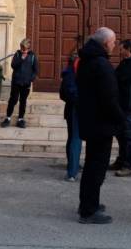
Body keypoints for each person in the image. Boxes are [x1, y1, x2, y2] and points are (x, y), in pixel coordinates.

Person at [76, 27, 123, 224]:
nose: (114, 45)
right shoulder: (101, 64)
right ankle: (88, 210)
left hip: (90, 120)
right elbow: (109, 98)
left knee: (91, 166)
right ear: (105, 43)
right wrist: (120, 120)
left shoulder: (87, 59)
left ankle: (88, 203)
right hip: (101, 123)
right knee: (96, 167)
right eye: (113, 42)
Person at [110, 39, 131, 177]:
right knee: (121, 134)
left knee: (129, 136)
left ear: (128, 49)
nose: (120, 51)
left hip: (129, 106)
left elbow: (120, 79)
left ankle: (129, 165)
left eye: (122, 49)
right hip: (121, 105)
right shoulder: (126, 62)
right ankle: (121, 160)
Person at [1, 38, 39, 129]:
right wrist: (21, 59)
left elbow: (35, 70)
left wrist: (31, 79)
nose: (22, 50)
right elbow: (13, 65)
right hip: (16, 82)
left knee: (23, 101)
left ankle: (20, 119)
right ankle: (8, 118)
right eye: (21, 48)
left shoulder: (33, 56)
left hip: (26, 83)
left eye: (24, 48)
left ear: (28, 48)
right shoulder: (17, 54)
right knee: (13, 99)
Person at [60, 54, 82, 182]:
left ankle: (72, 166)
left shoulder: (68, 72)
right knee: (76, 138)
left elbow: (63, 94)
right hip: (78, 108)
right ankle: (72, 170)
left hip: (71, 108)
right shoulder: (75, 72)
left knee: (72, 137)